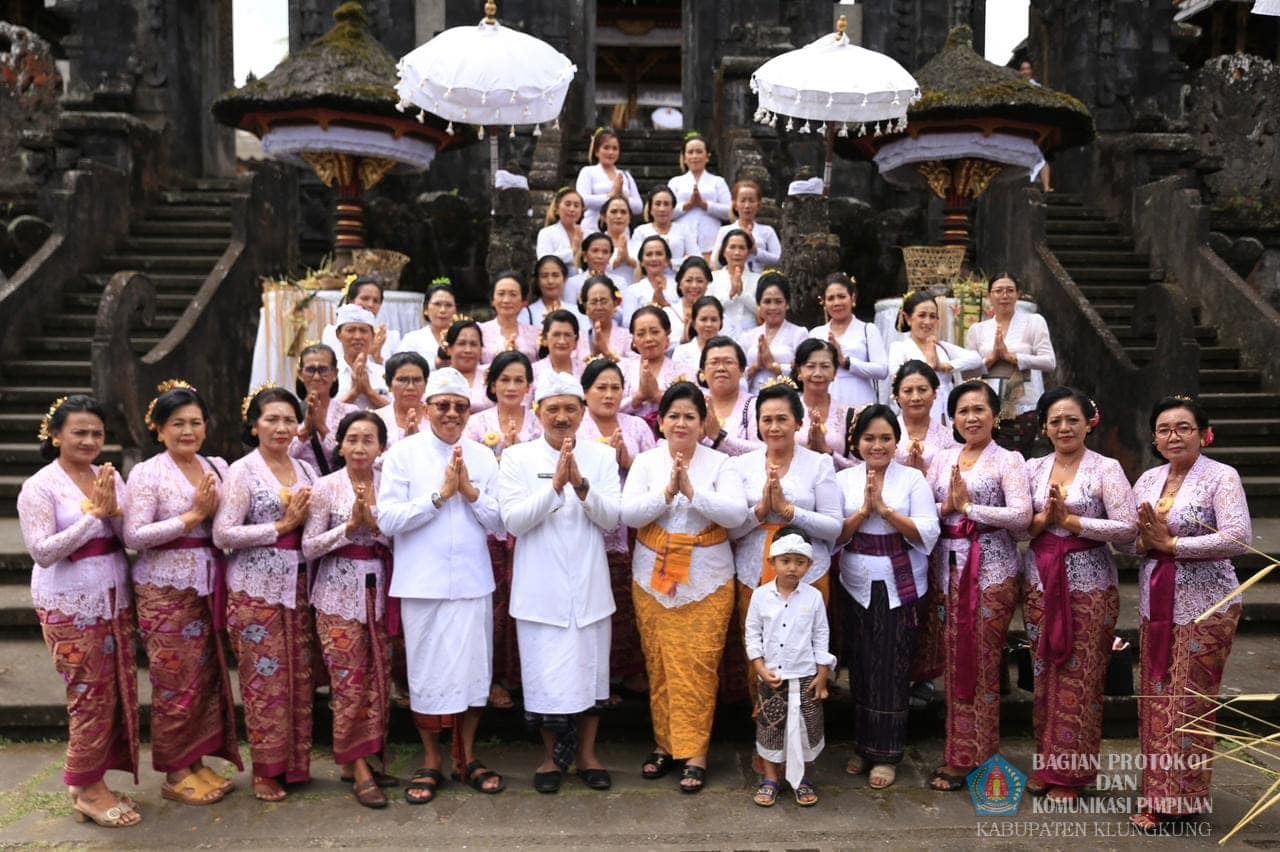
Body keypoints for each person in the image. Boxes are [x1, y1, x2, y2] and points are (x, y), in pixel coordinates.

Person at [378, 367, 509, 803]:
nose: (451, 413)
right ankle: (432, 758)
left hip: (472, 582)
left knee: (474, 673)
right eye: (443, 405)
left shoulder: (484, 456)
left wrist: (469, 491)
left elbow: (501, 523)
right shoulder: (403, 454)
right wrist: (438, 496)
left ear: (469, 411)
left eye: (460, 406)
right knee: (428, 676)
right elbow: (389, 519)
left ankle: (467, 756)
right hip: (423, 584)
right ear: (425, 407)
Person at [1126, 396, 1251, 832]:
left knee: (1190, 701)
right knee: (1157, 698)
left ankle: (1181, 799)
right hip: (1155, 601)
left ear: (1203, 434)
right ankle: (1159, 792)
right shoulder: (1146, 479)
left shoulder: (1222, 476)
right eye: (1164, 429)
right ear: (1155, 439)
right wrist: (1145, 543)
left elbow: (1238, 538)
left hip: (1207, 605)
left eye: (1183, 428)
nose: (1173, 436)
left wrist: (1173, 545)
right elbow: (1128, 541)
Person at [621, 382, 749, 794]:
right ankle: (665, 744)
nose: (680, 423)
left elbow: (733, 515)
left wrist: (693, 493)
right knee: (659, 664)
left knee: (698, 666)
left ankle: (694, 753)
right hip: (652, 576)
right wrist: (666, 493)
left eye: (689, 416)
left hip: (707, 579)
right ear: (660, 421)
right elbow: (629, 513)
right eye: (673, 415)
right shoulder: (645, 462)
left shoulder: (721, 464)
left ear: (703, 423)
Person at [18, 395, 140, 827]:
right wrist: (95, 517)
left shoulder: (107, 476)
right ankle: (87, 788)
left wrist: (123, 511)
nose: (89, 440)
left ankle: (91, 778)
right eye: (79, 432)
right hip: (68, 602)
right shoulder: (40, 486)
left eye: (97, 433)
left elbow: (131, 537)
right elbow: (43, 551)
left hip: (113, 597)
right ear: (56, 436)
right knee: (88, 694)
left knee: (114, 691)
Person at [499, 371, 623, 794]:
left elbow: (612, 519)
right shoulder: (517, 458)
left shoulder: (602, 457)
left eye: (571, 408)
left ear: (583, 413)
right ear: (538, 413)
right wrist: (554, 488)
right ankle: (551, 758)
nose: (562, 417)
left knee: (591, 676)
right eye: (553, 409)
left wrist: (582, 487)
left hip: (589, 588)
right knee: (545, 679)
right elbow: (512, 520)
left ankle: (587, 755)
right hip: (540, 591)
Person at [123, 382, 240, 807]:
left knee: (207, 677)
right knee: (175, 679)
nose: (188, 431)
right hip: (164, 587)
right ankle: (175, 770)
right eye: (178, 424)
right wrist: (192, 517)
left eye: (195, 423)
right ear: (159, 429)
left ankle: (196, 760)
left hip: (211, 583)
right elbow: (134, 534)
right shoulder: (147, 472)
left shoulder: (218, 466)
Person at [1019, 387, 1136, 803]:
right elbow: (1017, 527)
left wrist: (1073, 522)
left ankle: (1072, 774)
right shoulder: (1033, 468)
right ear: (1044, 427)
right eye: (1055, 421)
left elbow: (1126, 528)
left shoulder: (1106, 468)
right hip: (1039, 581)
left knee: (1080, 678)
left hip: (1089, 584)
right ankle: (1047, 762)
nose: (1064, 427)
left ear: (1090, 422)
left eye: (1072, 419)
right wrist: (1039, 522)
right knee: (1045, 672)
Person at [926, 381, 1031, 792]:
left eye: (979, 410)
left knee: (982, 661)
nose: (971, 418)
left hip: (990, 570)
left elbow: (1022, 515)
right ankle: (958, 749)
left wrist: (969, 508)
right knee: (954, 660)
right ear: (952, 419)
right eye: (963, 411)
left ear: (994, 415)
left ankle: (980, 755)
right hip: (947, 570)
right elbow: (924, 509)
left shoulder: (1009, 460)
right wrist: (947, 507)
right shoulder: (942, 458)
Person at [213, 385, 316, 802]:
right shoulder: (242, 471)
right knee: (264, 681)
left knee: (299, 678)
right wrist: (280, 527)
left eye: (289, 419)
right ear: (253, 424)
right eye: (271, 419)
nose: (281, 427)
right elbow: (223, 533)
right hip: (255, 589)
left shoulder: (306, 470)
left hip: (300, 586)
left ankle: (294, 765)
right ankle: (265, 771)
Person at [835, 405, 939, 789]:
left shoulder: (913, 480)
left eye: (885, 438)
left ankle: (888, 752)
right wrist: (864, 511)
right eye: (869, 438)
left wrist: (885, 511)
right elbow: (836, 535)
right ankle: (864, 746)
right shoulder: (844, 479)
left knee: (893, 669)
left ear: (897, 441)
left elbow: (927, 532)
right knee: (861, 666)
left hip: (901, 584)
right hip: (857, 582)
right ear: (856, 442)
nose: (877, 445)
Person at [302, 411, 397, 808]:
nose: (360, 447)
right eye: (352, 439)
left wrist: (376, 529)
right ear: (340, 445)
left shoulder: (390, 485)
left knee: (378, 677)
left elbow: (402, 537)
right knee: (349, 682)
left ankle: (364, 756)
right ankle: (357, 767)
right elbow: (309, 547)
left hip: (379, 590)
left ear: (381, 447)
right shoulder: (325, 487)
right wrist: (348, 528)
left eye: (368, 440)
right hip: (337, 595)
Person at [728, 382, 842, 706]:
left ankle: (802, 735)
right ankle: (766, 739)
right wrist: (760, 512)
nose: (774, 427)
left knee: (803, 650)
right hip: (754, 569)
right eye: (767, 419)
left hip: (808, 570)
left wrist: (790, 512)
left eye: (782, 419)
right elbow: (732, 530)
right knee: (760, 650)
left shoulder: (819, 463)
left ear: (798, 422)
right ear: (757, 424)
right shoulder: (741, 465)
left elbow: (834, 526)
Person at [577, 357, 657, 702]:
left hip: (632, 529)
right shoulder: (575, 428)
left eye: (615, 388)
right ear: (586, 392)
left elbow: (657, 471)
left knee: (626, 603)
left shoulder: (637, 426)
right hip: (588, 525)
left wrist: (628, 463)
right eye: (601, 388)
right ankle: (596, 678)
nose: (609, 395)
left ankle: (628, 671)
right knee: (591, 604)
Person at [464, 350, 540, 710]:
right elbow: (474, 475)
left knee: (527, 603)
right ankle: (493, 679)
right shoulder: (477, 424)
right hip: (492, 527)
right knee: (494, 607)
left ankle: (525, 676)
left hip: (530, 527)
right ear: (492, 384)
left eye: (518, 380)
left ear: (529, 385)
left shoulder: (539, 422)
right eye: (504, 380)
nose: (511, 386)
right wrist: (505, 456)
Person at [746, 527, 836, 807]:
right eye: (785, 561)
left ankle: (803, 779)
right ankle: (771, 778)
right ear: (772, 563)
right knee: (771, 729)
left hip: (806, 676)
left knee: (807, 729)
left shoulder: (813, 597)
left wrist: (823, 674)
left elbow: (821, 635)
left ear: (809, 565)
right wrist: (760, 668)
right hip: (773, 676)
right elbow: (752, 633)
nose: (792, 568)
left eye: (799, 562)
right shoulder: (760, 596)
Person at [887, 360, 957, 692]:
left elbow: (950, 488)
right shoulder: (887, 431)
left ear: (934, 393)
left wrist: (921, 477)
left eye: (922, 390)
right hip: (889, 530)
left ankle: (924, 677)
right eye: (908, 390)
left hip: (933, 529)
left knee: (929, 603)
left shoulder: (947, 439)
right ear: (896, 395)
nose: (915, 397)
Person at [965, 273, 1056, 456]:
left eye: (1009, 290)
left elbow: (1049, 362)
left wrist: (1013, 358)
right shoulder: (978, 329)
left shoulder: (1033, 321)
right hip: (988, 405)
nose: (1004, 295)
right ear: (989, 295)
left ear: (1018, 294)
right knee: (989, 457)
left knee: (1022, 458)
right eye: (998, 291)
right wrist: (991, 359)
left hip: (1024, 402)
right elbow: (967, 373)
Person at [888, 291, 982, 418]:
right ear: (908, 318)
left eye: (932, 316)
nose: (927, 322)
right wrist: (928, 367)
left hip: (946, 414)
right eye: (922, 315)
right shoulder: (900, 347)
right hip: (916, 413)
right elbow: (897, 377)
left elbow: (976, 359)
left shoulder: (941, 347)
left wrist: (944, 366)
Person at [808, 273, 887, 408]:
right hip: (825, 400)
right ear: (824, 302)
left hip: (860, 399)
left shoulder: (867, 330)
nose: (837, 303)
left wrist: (846, 362)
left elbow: (882, 370)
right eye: (831, 298)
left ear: (853, 298)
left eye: (842, 296)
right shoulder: (816, 333)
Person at [291, 343, 359, 477]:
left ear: (334, 374)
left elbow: (353, 454)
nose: (316, 377)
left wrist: (322, 428)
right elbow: (279, 455)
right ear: (300, 374)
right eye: (310, 370)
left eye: (323, 370)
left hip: (338, 486)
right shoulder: (289, 413)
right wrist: (306, 430)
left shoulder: (350, 412)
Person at [738, 271, 809, 392]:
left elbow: (804, 373)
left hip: (787, 399)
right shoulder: (747, 336)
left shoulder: (799, 334)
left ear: (787, 304)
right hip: (753, 398)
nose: (773, 307)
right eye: (767, 301)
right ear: (759, 304)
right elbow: (737, 374)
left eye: (778, 301)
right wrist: (756, 367)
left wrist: (773, 366)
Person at [792, 339, 855, 471]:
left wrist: (828, 451)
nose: (818, 373)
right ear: (799, 371)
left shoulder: (849, 415)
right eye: (810, 366)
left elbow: (859, 468)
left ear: (835, 372)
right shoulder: (786, 411)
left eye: (825, 366)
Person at [667, 133, 731, 257]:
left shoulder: (718, 181)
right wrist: (687, 205)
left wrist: (705, 205)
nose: (694, 156)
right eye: (690, 152)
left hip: (711, 243)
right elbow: (665, 212)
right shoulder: (675, 182)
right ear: (684, 157)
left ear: (707, 156)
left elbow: (729, 212)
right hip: (681, 243)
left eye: (699, 152)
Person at [619, 306, 682, 433]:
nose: (648, 339)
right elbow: (608, 408)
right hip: (628, 436)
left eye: (654, 332)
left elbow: (690, 410)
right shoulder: (621, 369)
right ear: (634, 339)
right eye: (641, 334)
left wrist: (658, 397)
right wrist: (637, 398)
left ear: (667, 334)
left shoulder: (683, 371)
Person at [698, 336, 763, 456]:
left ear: (742, 370)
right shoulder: (693, 403)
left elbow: (763, 451)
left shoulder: (755, 406)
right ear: (702, 372)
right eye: (714, 362)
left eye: (728, 362)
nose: (721, 368)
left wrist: (719, 437)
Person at [576, 127, 643, 232]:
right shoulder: (588, 172)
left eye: (615, 148)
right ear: (597, 152)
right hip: (593, 228)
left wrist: (623, 196)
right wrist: (611, 196)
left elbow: (638, 207)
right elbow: (582, 200)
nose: (611, 152)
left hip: (620, 230)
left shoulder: (625, 176)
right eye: (606, 148)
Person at [322, 277, 400, 365]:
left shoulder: (391, 337)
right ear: (350, 300)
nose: (370, 304)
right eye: (365, 298)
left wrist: (377, 358)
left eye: (376, 301)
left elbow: (397, 374)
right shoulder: (332, 333)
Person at [710, 179, 780, 271]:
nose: (747, 206)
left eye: (751, 201)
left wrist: (756, 252)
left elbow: (779, 260)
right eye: (742, 201)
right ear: (735, 204)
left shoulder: (767, 231)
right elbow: (714, 264)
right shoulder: (725, 231)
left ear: (758, 205)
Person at [333, 304, 391, 410]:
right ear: (338, 334)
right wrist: (354, 393)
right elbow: (325, 414)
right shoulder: (330, 374)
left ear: (373, 336)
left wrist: (369, 392)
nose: (358, 336)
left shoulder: (384, 373)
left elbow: (398, 413)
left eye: (363, 331)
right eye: (351, 330)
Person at [708, 229, 760, 337]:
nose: (737, 252)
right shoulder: (713, 278)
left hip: (751, 336)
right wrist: (730, 294)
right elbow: (707, 310)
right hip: (720, 336)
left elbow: (763, 311)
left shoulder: (758, 279)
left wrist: (742, 295)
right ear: (723, 251)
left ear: (748, 252)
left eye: (742, 248)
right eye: (732, 247)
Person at [479, 272, 540, 363]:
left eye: (513, 294)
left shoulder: (536, 334)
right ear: (492, 300)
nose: (506, 300)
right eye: (501, 294)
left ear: (523, 301)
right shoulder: (479, 331)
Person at [629, 186, 697, 267]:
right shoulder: (640, 231)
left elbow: (696, 259)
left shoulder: (683, 230)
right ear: (650, 209)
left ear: (672, 209)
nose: (662, 209)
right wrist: (680, 261)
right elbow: (637, 261)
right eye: (658, 204)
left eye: (666, 204)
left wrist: (671, 263)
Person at [373, 351, 430, 445]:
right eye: (402, 380)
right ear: (389, 384)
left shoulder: (437, 417)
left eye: (417, 380)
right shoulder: (376, 419)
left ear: (425, 384)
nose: (411, 387)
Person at [621, 235, 679, 328]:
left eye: (659, 254)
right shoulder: (632, 291)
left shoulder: (678, 286)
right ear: (642, 262)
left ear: (667, 260)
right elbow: (627, 323)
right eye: (649, 254)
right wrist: (653, 305)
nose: (654, 258)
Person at [440, 319, 494, 414]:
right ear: (448, 349)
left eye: (473, 344)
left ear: (481, 349)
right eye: (461, 344)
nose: (468, 350)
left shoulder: (492, 375)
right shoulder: (437, 378)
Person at [397, 283, 457, 367]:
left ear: (455, 310)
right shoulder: (412, 339)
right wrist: (435, 364)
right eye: (437, 304)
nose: (443, 310)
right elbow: (399, 368)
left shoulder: (463, 337)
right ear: (426, 308)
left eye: (448, 305)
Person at [567, 232, 630, 312]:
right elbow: (570, 312)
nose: (600, 256)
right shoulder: (572, 283)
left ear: (610, 256)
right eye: (595, 251)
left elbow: (625, 313)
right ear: (585, 255)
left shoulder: (620, 282)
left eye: (605, 252)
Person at [523, 255, 588, 331]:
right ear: (537, 281)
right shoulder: (527, 314)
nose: (550, 281)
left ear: (565, 279)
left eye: (555, 275)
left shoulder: (577, 312)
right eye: (544, 276)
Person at [577, 275, 631, 361]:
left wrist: (606, 353)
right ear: (585, 307)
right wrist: (594, 354)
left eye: (604, 301)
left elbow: (636, 366)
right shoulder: (578, 339)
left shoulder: (628, 337)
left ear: (615, 303)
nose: (599, 307)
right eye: (593, 302)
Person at [673, 292, 724, 378]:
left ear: (721, 322)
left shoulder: (731, 350)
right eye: (703, 319)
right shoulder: (681, 352)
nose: (709, 324)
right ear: (693, 323)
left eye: (714, 320)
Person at [532, 310, 586, 387]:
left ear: (575, 340)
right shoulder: (533, 371)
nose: (562, 341)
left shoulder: (585, 371)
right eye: (556, 334)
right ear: (545, 338)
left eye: (567, 335)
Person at [536, 187, 586, 269]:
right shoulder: (546, 233)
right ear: (557, 209)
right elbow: (543, 260)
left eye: (576, 206)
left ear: (582, 211)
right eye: (567, 204)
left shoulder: (589, 233)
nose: (572, 209)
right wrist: (573, 250)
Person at [600, 195, 638, 281]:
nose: (619, 216)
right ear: (604, 217)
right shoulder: (595, 244)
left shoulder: (639, 244)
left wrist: (629, 261)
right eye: (614, 212)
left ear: (629, 218)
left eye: (623, 212)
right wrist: (616, 262)